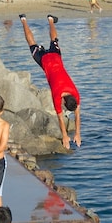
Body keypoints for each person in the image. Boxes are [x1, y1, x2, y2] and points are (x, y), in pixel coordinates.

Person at [19, 14, 81, 149]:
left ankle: (50, 20)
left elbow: (77, 113)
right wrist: (65, 136)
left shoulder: (75, 94)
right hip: (44, 61)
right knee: (31, 43)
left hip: (56, 57)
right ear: (64, 102)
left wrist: (77, 132)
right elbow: (60, 119)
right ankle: (23, 20)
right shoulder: (57, 97)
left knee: (54, 40)